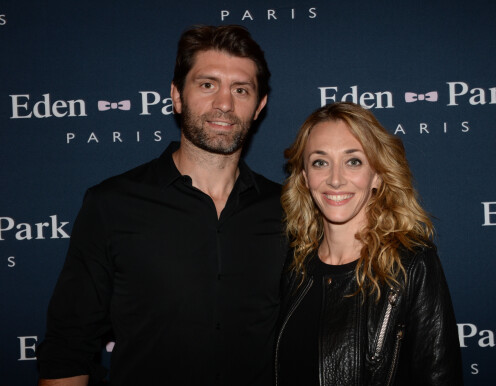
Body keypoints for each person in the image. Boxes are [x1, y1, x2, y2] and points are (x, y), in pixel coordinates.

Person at [37, 25, 287, 386]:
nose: (224, 103)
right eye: (207, 84)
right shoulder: (112, 205)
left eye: (241, 90)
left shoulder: (288, 210)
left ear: (259, 105)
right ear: (176, 95)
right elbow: (68, 348)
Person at [276, 102, 463, 385]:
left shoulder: (412, 264)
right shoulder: (294, 265)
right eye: (320, 162)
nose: (335, 179)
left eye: (353, 161)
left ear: (376, 175)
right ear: (304, 177)